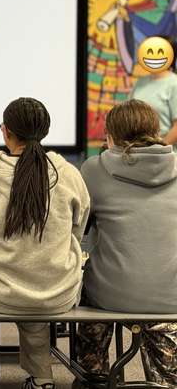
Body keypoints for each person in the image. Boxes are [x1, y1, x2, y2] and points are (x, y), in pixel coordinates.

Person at [0, 97, 90, 389]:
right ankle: (43, 379)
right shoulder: (68, 173)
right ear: (45, 131)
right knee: (35, 287)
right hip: (57, 291)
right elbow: (78, 230)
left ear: (6, 131)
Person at [76, 99, 177, 386]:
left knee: (86, 285)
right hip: (171, 298)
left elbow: (79, 226)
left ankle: (92, 374)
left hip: (109, 297)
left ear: (110, 136)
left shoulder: (94, 170)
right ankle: (165, 378)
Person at [128, 38, 177, 147]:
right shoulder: (140, 82)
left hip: (165, 157)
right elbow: (127, 114)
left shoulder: (174, 83)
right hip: (137, 153)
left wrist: (159, 148)